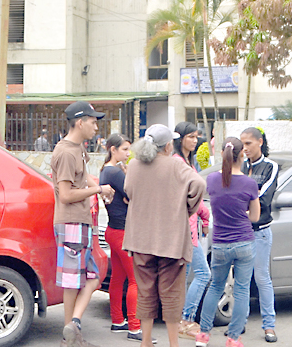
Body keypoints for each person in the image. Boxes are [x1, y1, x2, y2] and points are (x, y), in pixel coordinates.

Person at [124, 125, 207, 347]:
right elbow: (199, 184)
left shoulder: (134, 165)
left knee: (145, 291)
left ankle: (146, 342)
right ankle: (173, 344)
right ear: (169, 145)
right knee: (171, 294)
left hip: (141, 239)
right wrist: (187, 208)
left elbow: (129, 192)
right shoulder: (176, 165)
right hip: (170, 240)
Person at [52, 101, 115, 347]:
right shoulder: (66, 152)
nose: (96, 127)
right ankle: (70, 335)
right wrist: (97, 189)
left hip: (81, 221)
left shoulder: (78, 149)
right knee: (73, 281)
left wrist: (99, 188)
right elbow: (65, 195)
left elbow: (84, 176)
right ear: (80, 122)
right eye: (93, 121)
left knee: (92, 277)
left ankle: (73, 326)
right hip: (71, 222)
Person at [194, 138, 260, 347]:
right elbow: (255, 217)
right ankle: (233, 338)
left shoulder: (212, 180)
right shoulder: (250, 183)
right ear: (242, 155)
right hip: (243, 242)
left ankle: (203, 335)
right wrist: (243, 213)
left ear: (222, 154)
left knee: (215, 287)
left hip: (220, 242)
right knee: (241, 290)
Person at [103, 134, 145, 341]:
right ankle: (134, 327)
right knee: (135, 279)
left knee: (119, 277)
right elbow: (134, 195)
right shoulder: (115, 172)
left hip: (112, 230)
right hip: (123, 232)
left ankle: (118, 320)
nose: (128, 153)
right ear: (113, 149)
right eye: (125, 149)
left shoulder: (105, 171)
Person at [173, 122, 212, 341]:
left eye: (197, 137)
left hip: (189, 226)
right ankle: (186, 320)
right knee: (203, 273)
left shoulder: (188, 161)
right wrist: (205, 217)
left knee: (184, 276)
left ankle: (180, 319)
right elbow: (192, 197)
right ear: (180, 139)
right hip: (186, 228)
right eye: (191, 137)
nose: (195, 141)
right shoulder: (179, 163)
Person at [240, 127, 279, 343]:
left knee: (261, 277)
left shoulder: (270, 167)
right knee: (242, 279)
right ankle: (240, 321)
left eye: (249, 144)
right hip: (241, 231)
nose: (245, 148)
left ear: (260, 142)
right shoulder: (240, 165)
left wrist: (244, 210)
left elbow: (264, 197)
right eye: (242, 144)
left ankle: (269, 325)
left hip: (260, 231)